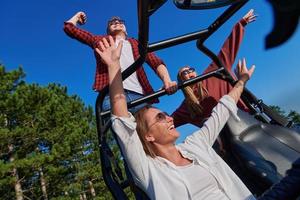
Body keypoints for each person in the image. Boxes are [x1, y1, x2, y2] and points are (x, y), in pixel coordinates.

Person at [96, 35, 256, 199]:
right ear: (148, 136)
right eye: (160, 117)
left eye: (166, 115)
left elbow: (223, 108)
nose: (170, 118)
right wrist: (114, 66)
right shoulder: (148, 170)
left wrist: (242, 79)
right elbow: (122, 125)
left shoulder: (195, 145)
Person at [63, 12, 177, 112]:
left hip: (140, 95)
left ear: (126, 30)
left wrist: (167, 80)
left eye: (120, 21)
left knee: (151, 132)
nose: (117, 22)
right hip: (111, 95)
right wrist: (77, 16)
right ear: (108, 31)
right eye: (112, 22)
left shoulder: (137, 43)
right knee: (124, 135)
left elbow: (155, 62)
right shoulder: (100, 40)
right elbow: (69, 28)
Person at [172, 9, 256, 128]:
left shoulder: (212, 74)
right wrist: (167, 87)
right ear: (181, 80)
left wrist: (241, 23)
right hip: (226, 140)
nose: (190, 71)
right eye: (185, 72)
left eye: (191, 69)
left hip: (248, 120)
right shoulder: (186, 107)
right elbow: (167, 121)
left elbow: (226, 51)